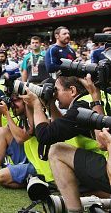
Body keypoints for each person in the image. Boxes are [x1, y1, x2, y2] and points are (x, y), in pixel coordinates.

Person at [23, 74, 108, 212]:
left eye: (56, 90)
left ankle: (74, 210)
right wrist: (50, 104)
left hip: (107, 163)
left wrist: (36, 105)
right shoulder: (94, 98)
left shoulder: (82, 108)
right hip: (105, 161)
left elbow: (45, 136)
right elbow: (62, 128)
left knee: (57, 151)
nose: (54, 95)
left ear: (73, 91)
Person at [0, 95, 53, 188]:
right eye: (11, 101)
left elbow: (21, 138)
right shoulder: (21, 117)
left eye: (16, 101)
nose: (12, 105)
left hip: (39, 164)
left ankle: (36, 180)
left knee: (0, 176)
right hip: (29, 157)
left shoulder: (36, 115)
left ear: (26, 101)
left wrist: (7, 114)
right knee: (3, 131)